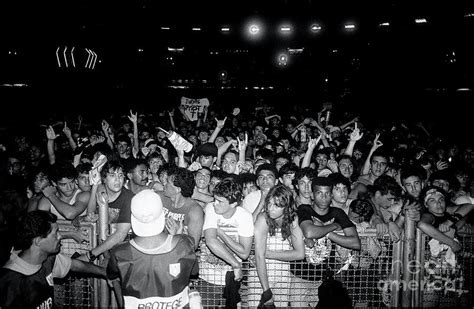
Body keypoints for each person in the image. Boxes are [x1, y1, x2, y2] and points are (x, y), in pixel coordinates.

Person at [107, 189, 198, 308]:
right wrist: (178, 237)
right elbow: (194, 272)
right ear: (162, 215)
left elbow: (112, 277)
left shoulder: (120, 252)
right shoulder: (185, 244)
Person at [0, 211, 106, 308]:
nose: (60, 237)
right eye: (56, 233)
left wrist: (106, 273)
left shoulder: (48, 259)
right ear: (38, 241)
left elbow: (75, 265)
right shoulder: (10, 281)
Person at [292, 176, 361, 307]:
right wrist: (334, 226)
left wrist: (328, 233)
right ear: (312, 195)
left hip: (324, 279)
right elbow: (309, 232)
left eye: (327, 193)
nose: (324, 197)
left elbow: (355, 243)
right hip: (300, 276)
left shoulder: (338, 213)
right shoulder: (304, 209)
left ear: (331, 196)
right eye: (319, 193)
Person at [198, 178, 254, 308]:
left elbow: (245, 253)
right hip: (209, 278)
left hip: (231, 279)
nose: (215, 203)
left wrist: (222, 234)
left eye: (220, 201)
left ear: (233, 204)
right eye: (215, 199)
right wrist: (235, 264)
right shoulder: (211, 208)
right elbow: (211, 241)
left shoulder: (244, 216)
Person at [248, 185, 305, 308]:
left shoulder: (292, 219)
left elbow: (300, 254)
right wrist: (266, 291)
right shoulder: (263, 218)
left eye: (276, 205)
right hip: (259, 276)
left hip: (282, 276)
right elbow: (259, 257)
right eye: (269, 203)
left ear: (287, 207)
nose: (270, 209)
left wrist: (268, 253)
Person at [161, 166, 204, 250]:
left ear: (178, 189)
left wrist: (178, 235)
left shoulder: (194, 210)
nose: (164, 184)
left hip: (179, 252)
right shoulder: (159, 197)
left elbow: (193, 246)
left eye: (167, 182)